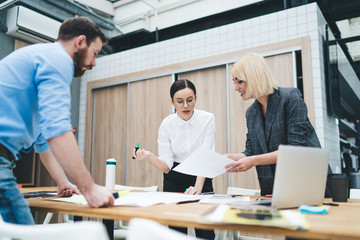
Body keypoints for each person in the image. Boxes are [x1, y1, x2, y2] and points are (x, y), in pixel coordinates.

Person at [0, 16, 114, 225]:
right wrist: (90, 189)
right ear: (80, 42)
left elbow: (43, 140)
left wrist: (63, 182)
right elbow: (58, 131)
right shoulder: (58, 59)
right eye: (95, 54)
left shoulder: (42, 57)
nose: (94, 63)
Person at [225, 53, 330, 196]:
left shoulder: (290, 98)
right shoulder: (251, 112)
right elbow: (250, 152)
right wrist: (228, 158)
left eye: (240, 82)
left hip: (306, 182)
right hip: (273, 187)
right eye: (234, 82)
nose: (236, 88)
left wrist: (253, 161)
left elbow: (293, 150)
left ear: (254, 77)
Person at [132, 79, 215, 240]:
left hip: (201, 174)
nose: (185, 106)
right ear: (172, 102)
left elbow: (207, 153)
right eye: (180, 101)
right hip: (175, 177)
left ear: (196, 98)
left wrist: (199, 186)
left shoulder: (208, 119)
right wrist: (149, 155)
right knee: (176, 231)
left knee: (205, 228)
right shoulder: (166, 125)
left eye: (190, 100)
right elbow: (166, 167)